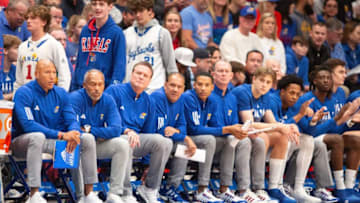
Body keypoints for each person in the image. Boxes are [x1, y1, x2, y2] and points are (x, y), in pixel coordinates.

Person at [11, 59, 102, 203]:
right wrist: (61, 135)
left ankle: (86, 195)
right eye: (47, 72)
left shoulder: (61, 93)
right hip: (22, 143)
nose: (52, 76)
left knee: (85, 139)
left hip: (52, 142)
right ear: (36, 74)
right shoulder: (24, 92)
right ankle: (34, 194)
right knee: (37, 136)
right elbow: (28, 125)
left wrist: (73, 133)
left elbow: (71, 119)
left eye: (54, 72)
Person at [105, 61, 173, 203]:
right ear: (132, 74)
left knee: (164, 142)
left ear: (149, 80)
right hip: (113, 138)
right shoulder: (114, 91)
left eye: (145, 75)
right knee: (127, 141)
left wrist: (147, 164)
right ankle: (126, 193)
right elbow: (107, 120)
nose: (141, 77)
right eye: (138, 73)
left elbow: (149, 132)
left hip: (136, 140)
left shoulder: (148, 100)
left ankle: (149, 188)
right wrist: (126, 130)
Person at [294, 64, 360, 202]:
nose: (326, 81)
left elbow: (335, 129)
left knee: (354, 141)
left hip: (326, 136)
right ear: (314, 81)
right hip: (306, 138)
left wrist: (349, 120)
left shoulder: (334, 98)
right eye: (322, 78)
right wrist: (336, 119)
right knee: (336, 139)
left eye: (328, 78)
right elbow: (310, 131)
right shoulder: (307, 100)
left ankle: (349, 186)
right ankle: (340, 187)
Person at [232, 67, 300, 202]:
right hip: (235, 132)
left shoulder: (266, 96)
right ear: (254, 79)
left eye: (268, 82)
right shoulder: (243, 92)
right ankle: (255, 187)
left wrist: (288, 126)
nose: (264, 85)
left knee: (282, 136)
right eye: (261, 80)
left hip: (251, 134)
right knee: (262, 137)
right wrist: (279, 126)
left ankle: (275, 186)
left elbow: (272, 122)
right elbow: (249, 123)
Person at [182, 71, 247, 202]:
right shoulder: (188, 97)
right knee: (209, 139)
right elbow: (194, 129)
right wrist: (227, 129)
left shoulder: (212, 100)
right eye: (199, 84)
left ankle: (224, 189)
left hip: (200, 141)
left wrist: (235, 131)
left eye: (207, 85)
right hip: (186, 140)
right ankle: (202, 189)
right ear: (194, 85)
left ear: (212, 87)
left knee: (229, 140)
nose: (203, 88)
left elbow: (215, 125)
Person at [70, 69, 131, 203]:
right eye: (93, 84)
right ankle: (85, 195)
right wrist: (93, 133)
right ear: (84, 85)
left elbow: (116, 129)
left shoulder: (108, 99)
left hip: (95, 144)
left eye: (100, 84)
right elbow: (73, 129)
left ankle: (114, 193)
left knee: (122, 144)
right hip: (75, 146)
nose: (97, 88)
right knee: (87, 139)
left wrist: (90, 129)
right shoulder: (75, 98)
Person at [269, 75, 325, 202]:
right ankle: (277, 186)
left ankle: (298, 187)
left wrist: (313, 121)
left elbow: (310, 132)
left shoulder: (294, 104)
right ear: (282, 91)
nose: (294, 97)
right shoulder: (273, 101)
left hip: (280, 144)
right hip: (267, 141)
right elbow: (276, 127)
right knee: (285, 137)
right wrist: (300, 115)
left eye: (297, 94)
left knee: (307, 139)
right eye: (291, 93)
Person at [152, 73, 196, 202]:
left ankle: (171, 188)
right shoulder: (157, 97)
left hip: (169, 141)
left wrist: (177, 132)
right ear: (165, 85)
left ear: (183, 89)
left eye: (179, 87)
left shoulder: (181, 99)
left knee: (183, 146)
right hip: (153, 140)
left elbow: (182, 126)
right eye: (172, 85)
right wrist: (184, 136)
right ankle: (153, 189)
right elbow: (161, 130)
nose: (175, 89)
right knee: (167, 142)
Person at [124, 0, 177, 93]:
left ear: (150, 12)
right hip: (131, 88)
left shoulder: (162, 33)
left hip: (154, 88)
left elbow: (170, 65)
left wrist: (173, 85)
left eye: (141, 11)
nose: (137, 15)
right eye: (135, 12)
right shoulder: (126, 33)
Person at [72, 0, 126, 91]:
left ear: (110, 6)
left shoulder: (116, 33)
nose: (97, 8)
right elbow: (79, 61)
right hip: (82, 89)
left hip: (103, 90)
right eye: (94, 4)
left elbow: (119, 66)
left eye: (101, 4)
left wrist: (111, 90)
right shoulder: (85, 30)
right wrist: (74, 86)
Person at [15, 5, 71, 92]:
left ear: (44, 22)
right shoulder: (23, 46)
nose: (28, 21)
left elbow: (64, 75)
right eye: (27, 18)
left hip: (46, 95)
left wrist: (60, 98)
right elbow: (19, 79)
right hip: (26, 95)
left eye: (33, 18)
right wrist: (17, 96)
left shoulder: (54, 45)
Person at [1, 34, 21, 100]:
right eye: (16, 48)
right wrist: (15, 94)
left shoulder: (16, 70)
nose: (20, 51)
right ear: (5, 51)